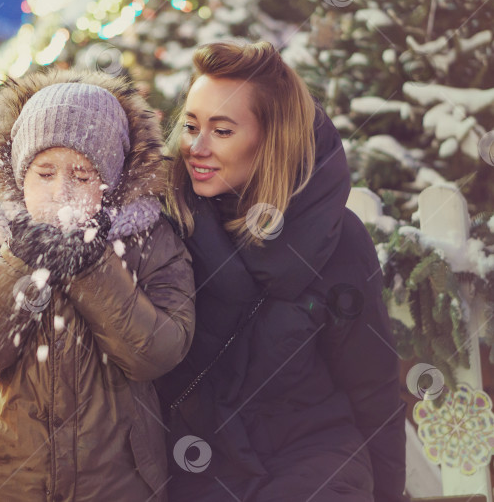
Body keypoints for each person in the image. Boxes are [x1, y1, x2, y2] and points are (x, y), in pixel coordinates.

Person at [155, 41, 407, 501]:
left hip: (313, 459)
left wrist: (390, 492)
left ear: (272, 138)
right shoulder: (160, 227)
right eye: (190, 126)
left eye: (223, 130)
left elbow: (372, 385)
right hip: (193, 464)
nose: (197, 147)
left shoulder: (336, 238)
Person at [0, 69, 195, 502]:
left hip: (116, 481)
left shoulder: (148, 240)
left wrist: (94, 268)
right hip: (7, 480)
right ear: (21, 176)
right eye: (45, 173)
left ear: (109, 183)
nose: (61, 191)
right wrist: (17, 261)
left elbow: (158, 353)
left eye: (82, 174)